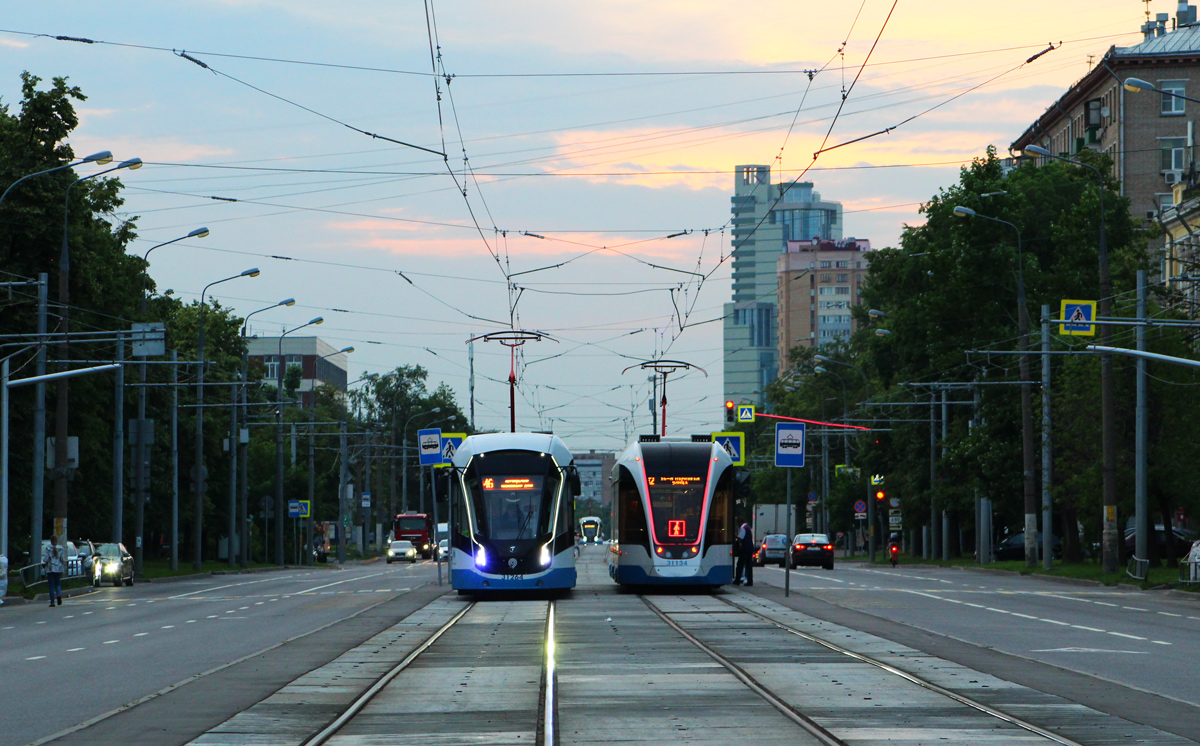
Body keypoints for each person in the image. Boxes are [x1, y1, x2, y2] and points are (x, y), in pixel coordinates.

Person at [43, 535, 66, 607]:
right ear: (57, 541)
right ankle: (59, 595)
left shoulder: (48, 548)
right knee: (58, 583)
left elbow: (46, 559)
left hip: (50, 569)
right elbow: (62, 559)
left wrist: (45, 562)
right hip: (58, 568)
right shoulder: (61, 548)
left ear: (51, 541)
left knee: (51, 586)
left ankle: (52, 602)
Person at [734, 522, 754, 586]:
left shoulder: (743, 528)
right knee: (748, 566)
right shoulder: (747, 527)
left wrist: (735, 536)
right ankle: (750, 581)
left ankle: (737, 580)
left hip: (745, 549)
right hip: (749, 548)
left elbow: (741, 538)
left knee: (740, 565)